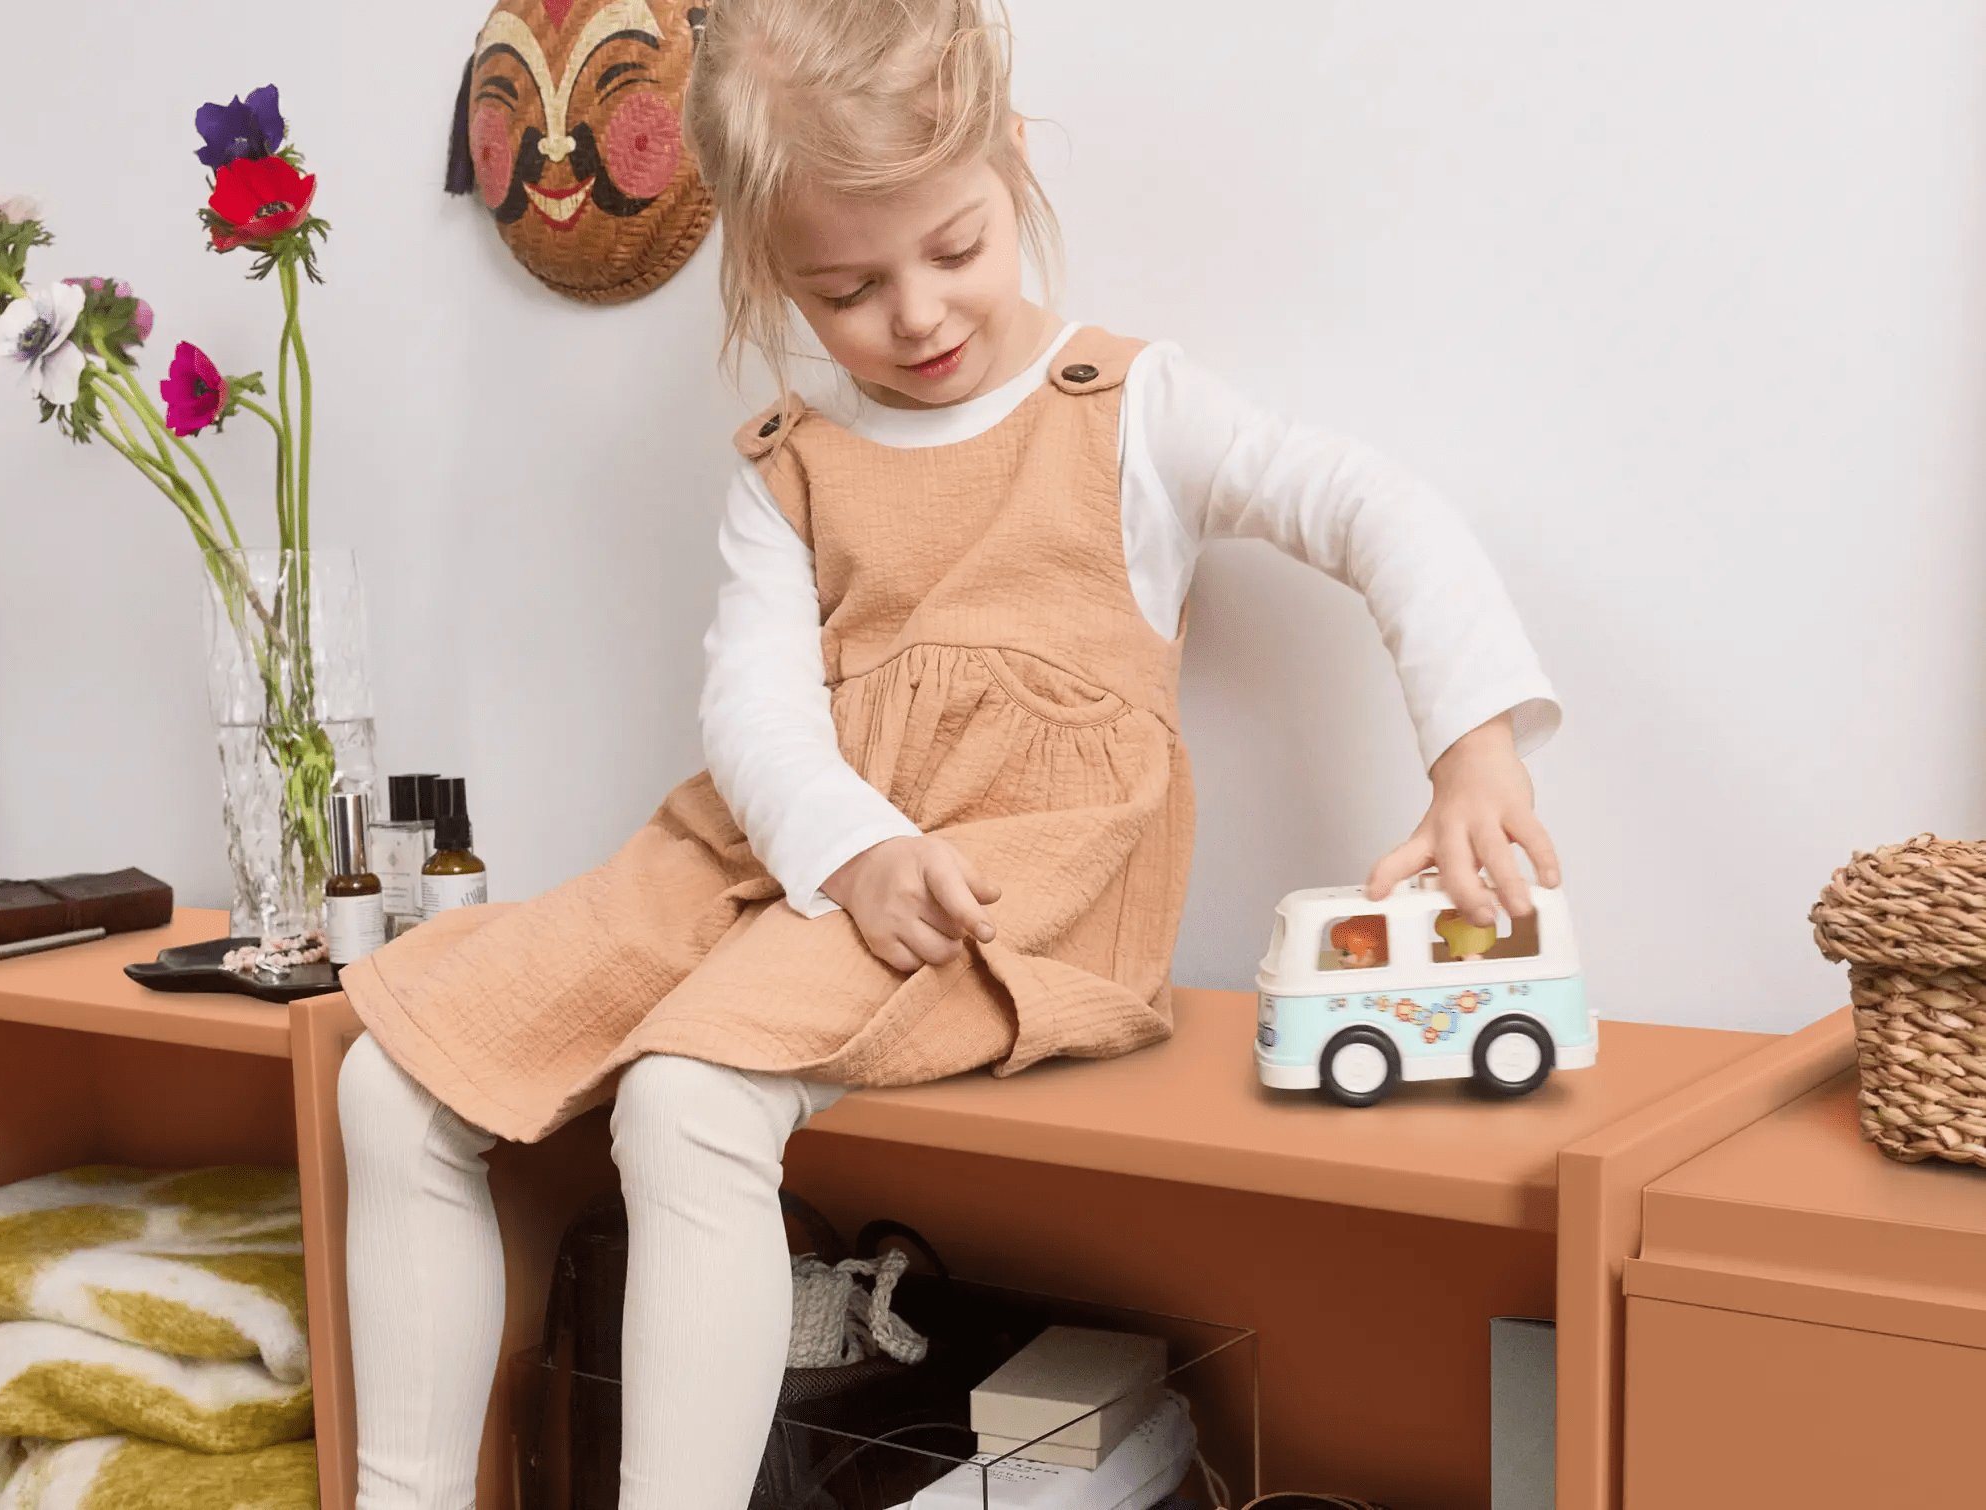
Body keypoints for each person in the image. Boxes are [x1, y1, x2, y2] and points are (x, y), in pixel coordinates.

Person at [334, 1, 1563, 1505]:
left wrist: (1472, 746)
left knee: (683, 1101)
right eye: (846, 288)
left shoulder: (1128, 410)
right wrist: (848, 844)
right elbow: (758, 711)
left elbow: (1377, 509)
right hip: (788, 848)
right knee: (391, 1076)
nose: (915, 317)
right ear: (769, 270)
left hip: (1008, 882)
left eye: (956, 249)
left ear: (1013, 167)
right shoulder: (791, 460)